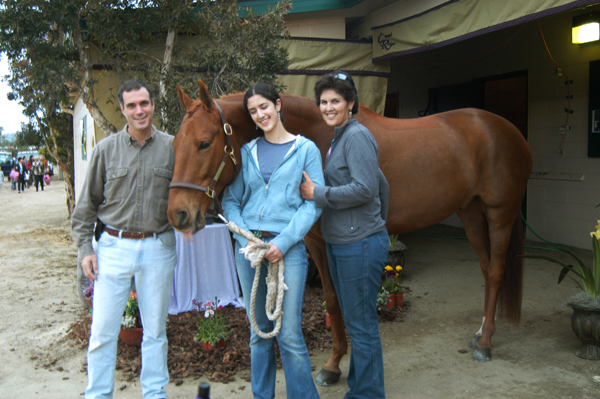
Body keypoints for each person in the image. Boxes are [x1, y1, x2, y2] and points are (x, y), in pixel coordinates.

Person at [72, 79, 176, 399]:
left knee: (155, 332)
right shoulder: (106, 149)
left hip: (158, 246)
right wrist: (85, 248)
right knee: (103, 332)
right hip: (112, 249)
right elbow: (86, 206)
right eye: (131, 105)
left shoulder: (173, 147)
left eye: (144, 103)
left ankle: (155, 393)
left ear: (153, 105)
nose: (139, 110)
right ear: (122, 110)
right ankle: (98, 394)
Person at [222, 82, 324, 399]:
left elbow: (314, 202)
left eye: (264, 106)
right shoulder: (246, 152)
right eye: (253, 111)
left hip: (288, 250)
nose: (260, 115)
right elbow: (230, 202)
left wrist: (285, 241)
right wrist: (246, 241)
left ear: (277, 105)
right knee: (259, 333)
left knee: (289, 333)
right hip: (249, 251)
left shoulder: (305, 150)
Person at [300, 71, 389, 399]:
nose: (328, 106)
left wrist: (318, 194)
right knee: (357, 323)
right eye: (323, 101)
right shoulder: (340, 137)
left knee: (362, 328)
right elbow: (383, 185)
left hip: (358, 245)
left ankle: (366, 394)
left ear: (351, 103)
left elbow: (367, 188)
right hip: (346, 242)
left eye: (335, 100)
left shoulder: (356, 136)